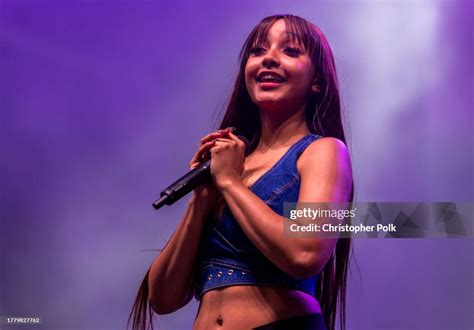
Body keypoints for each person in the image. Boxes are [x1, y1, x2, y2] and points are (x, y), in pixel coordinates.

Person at [128, 14, 353, 330]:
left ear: (316, 80)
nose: (269, 58)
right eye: (258, 51)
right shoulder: (230, 163)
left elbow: (305, 253)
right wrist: (203, 199)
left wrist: (231, 183)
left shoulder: (322, 151)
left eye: (289, 51)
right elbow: (162, 298)